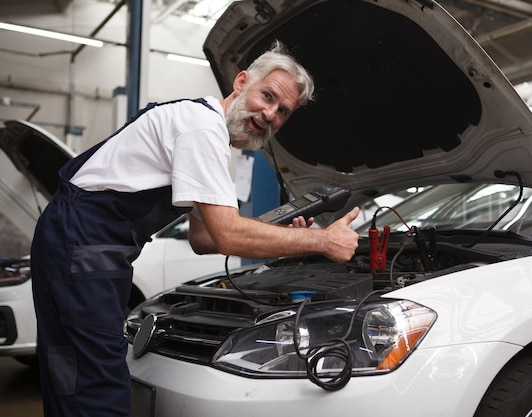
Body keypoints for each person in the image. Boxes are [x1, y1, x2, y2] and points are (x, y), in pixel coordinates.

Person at [30, 40, 360, 417]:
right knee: (98, 383)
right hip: (84, 243)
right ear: (241, 83)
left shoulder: (206, 134)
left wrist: (285, 234)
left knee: (70, 367)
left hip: (78, 241)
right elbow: (227, 235)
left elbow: (203, 239)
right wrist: (319, 240)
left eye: (282, 111)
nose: (269, 113)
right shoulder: (201, 130)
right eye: (267, 96)